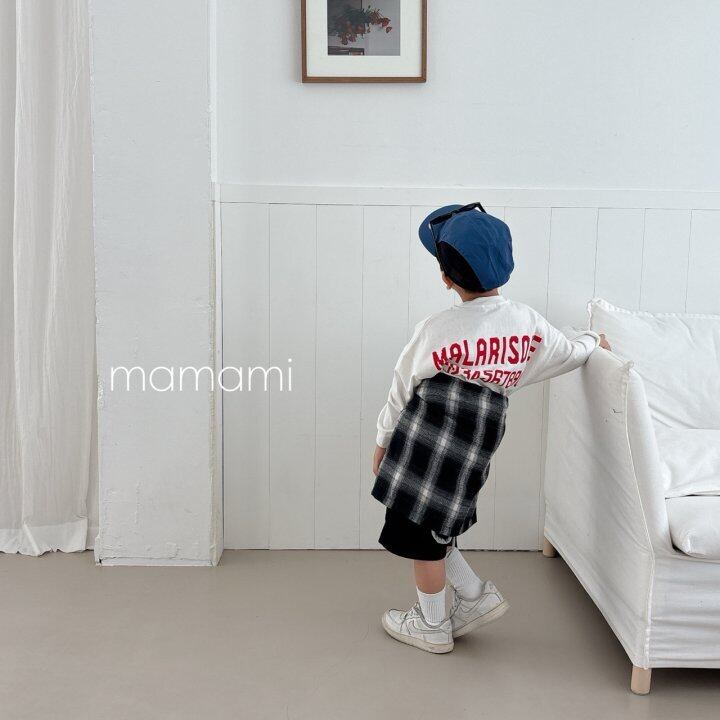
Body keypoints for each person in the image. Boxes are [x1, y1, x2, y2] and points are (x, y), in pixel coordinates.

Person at [372, 203, 610, 654]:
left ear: (445, 277)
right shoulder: (526, 322)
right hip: (480, 434)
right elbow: (568, 354)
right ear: (507, 264)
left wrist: (384, 439)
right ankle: (475, 597)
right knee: (437, 523)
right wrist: (593, 341)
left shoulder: (437, 328)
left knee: (421, 534)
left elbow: (402, 386)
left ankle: (432, 624)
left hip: (427, 434)